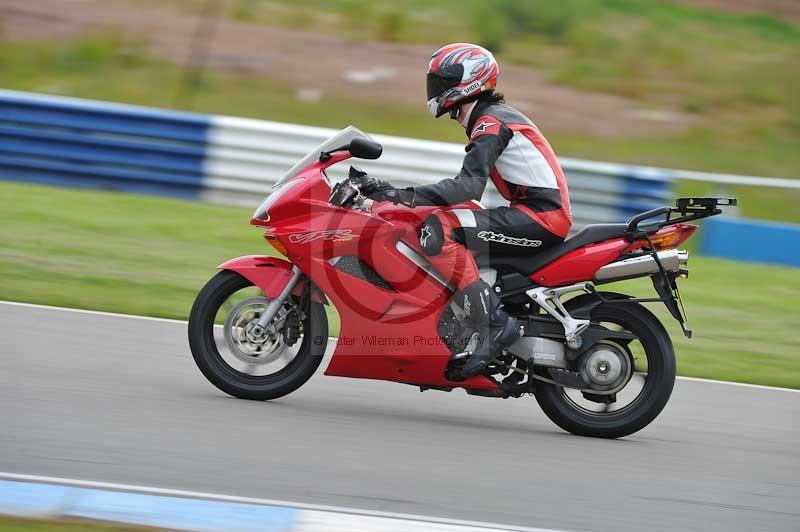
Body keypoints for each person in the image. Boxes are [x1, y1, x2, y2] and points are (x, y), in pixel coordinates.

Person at [362, 42, 572, 378]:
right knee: (452, 215)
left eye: (442, 81)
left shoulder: (490, 122)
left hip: (541, 217)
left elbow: (467, 186)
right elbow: (465, 192)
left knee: (438, 229)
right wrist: (397, 193)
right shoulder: (492, 118)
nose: (436, 88)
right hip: (534, 213)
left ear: (468, 80)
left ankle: (495, 325)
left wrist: (403, 195)